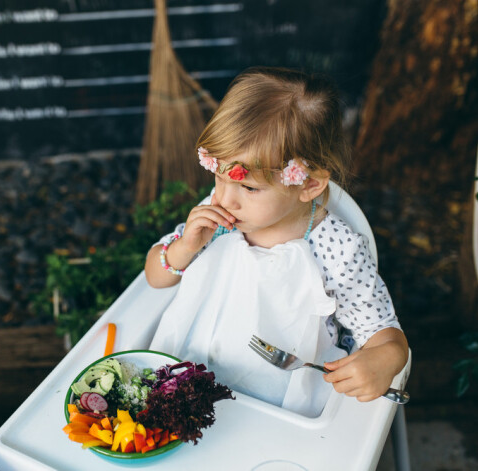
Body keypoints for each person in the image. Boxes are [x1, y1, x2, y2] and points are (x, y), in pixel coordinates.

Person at [145, 66, 408, 416]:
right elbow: (155, 276)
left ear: (309, 185)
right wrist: (185, 247)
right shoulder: (216, 218)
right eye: (219, 179)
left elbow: (383, 333)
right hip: (184, 383)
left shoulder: (335, 249)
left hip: (277, 406)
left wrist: (384, 359)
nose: (225, 199)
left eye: (250, 188)